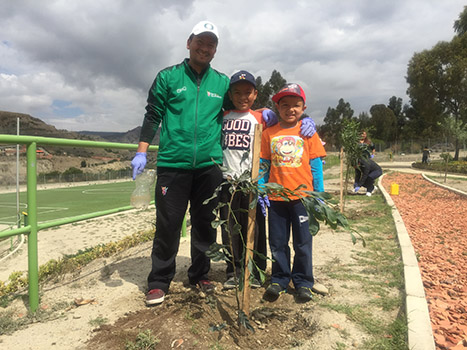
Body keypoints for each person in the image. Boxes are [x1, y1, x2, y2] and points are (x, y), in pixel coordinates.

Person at [131, 20, 230, 306]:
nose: (205, 47)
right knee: (168, 225)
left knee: (205, 224)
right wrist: (141, 151)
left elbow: (240, 107)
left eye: (211, 44)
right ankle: (159, 281)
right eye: (200, 41)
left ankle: (200, 275)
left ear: (215, 50)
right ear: (189, 43)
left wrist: (294, 119)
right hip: (173, 164)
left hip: (209, 166)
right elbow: (153, 115)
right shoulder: (168, 77)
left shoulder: (222, 82)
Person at [259, 83, 327, 303]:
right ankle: (279, 279)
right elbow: (263, 164)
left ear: (304, 107)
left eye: (296, 105)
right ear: (277, 107)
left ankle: (303, 282)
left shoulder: (308, 133)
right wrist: (261, 189)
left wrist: (319, 195)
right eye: (285, 105)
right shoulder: (269, 133)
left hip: (302, 199)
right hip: (277, 199)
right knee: (278, 242)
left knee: (303, 243)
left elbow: (316, 166)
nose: (291, 109)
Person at [220, 70, 267, 290]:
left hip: (252, 183)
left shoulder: (260, 118)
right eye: (237, 92)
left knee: (255, 228)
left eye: (248, 92)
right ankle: (233, 271)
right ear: (230, 94)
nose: (243, 97)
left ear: (255, 94)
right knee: (230, 229)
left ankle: (256, 271)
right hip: (228, 182)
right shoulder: (223, 116)